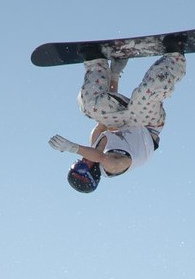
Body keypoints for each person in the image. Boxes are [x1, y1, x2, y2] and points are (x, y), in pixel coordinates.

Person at [48, 48, 186, 193]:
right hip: (148, 124)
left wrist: (115, 75)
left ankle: (96, 62)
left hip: (124, 119)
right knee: (144, 95)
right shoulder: (114, 168)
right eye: (82, 166)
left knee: (90, 106)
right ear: (93, 174)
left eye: (77, 163)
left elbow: (107, 113)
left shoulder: (95, 139)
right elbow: (102, 158)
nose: (81, 160)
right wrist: (72, 148)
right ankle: (174, 57)